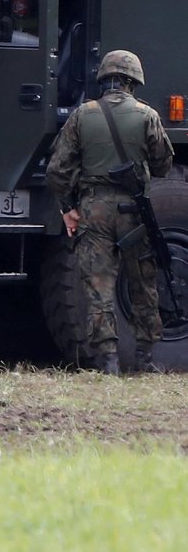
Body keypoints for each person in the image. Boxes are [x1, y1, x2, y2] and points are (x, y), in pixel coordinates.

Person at [46, 50, 174, 374]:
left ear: (104, 79)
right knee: (142, 282)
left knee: (98, 285)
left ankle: (108, 361)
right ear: (134, 81)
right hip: (134, 210)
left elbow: (57, 170)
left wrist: (67, 209)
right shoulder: (148, 115)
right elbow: (163, 165)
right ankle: (145, 358)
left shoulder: (81, 115)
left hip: (93, 210)